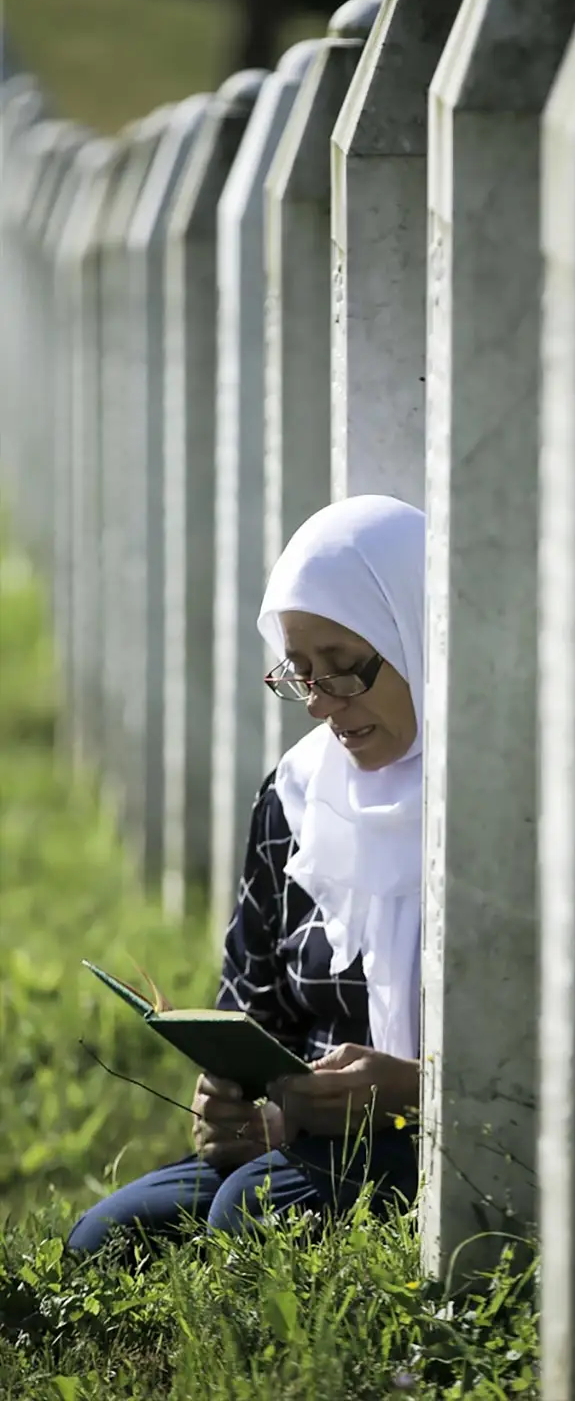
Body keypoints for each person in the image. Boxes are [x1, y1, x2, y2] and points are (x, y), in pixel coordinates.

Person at [68, 495, 425, 1254]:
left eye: (346, 671)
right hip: (298, 1141)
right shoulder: (298, 797)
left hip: (437, 1134)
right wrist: (233, 1106)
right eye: (300, 676)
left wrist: (417, 1090)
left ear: (420, 634)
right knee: (105, 1236)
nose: (324, 706)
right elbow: (255, 1008)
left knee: (249, 1211)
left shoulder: (509, 813)